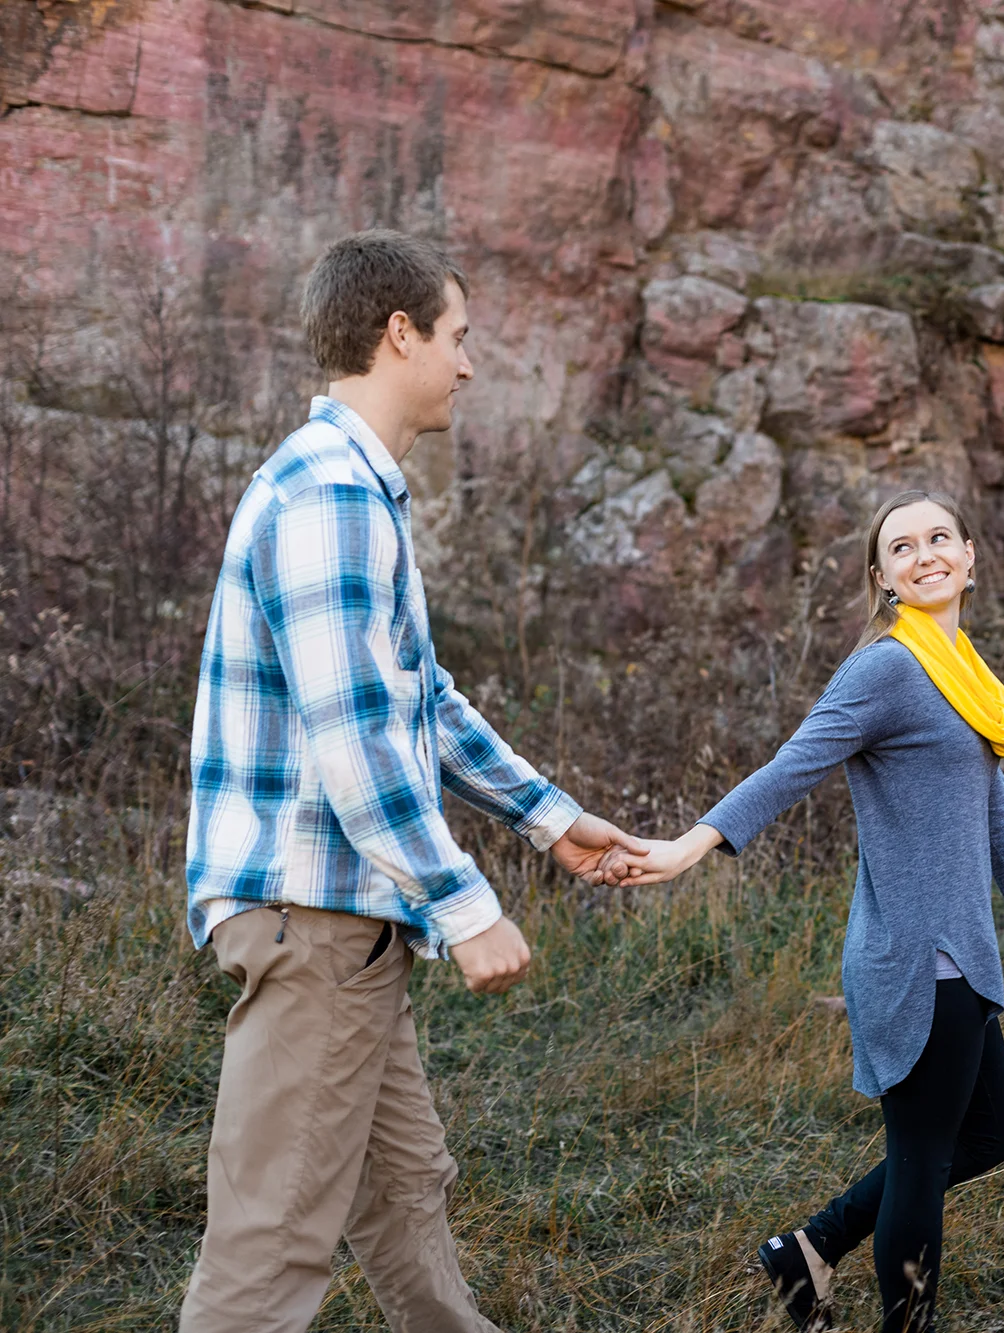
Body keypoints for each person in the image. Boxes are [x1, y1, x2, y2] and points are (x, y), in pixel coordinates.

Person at [179, 229, 645, 1333]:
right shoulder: (330, 496)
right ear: (400, 334)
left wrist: (550, 818)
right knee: (269, 1249)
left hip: (345, 922)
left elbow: (419, 699)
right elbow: (355, 742)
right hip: (314, 920)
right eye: (458, 336)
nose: (468, 365)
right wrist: (464, 905)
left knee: (404, 1194)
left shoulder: (350, 491)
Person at [603, 489, 1004, 1333]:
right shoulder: (888, 667)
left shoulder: (962, 673)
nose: (924, 555)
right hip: (917, 958)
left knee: (990, 1134)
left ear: (970, 556)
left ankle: (808, 1248)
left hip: (962, 951)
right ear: (882, 577)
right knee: (921, 1161)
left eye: (939, 537)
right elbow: (792, 765)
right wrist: (686, 847)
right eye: (901, 547)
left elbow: (992, 807)